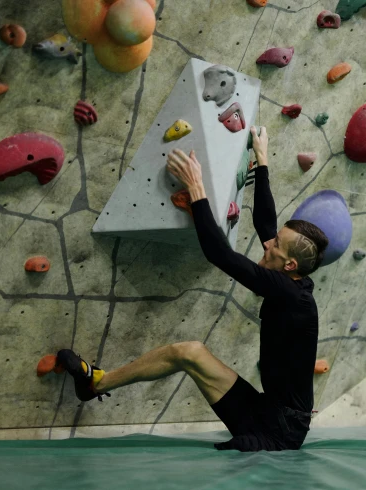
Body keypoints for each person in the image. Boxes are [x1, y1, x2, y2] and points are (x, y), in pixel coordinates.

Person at [55, 126, 329, 452]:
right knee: (188, 352)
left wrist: (197, 188)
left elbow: (221, 255)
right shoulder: (290, 279)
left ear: (289, 266)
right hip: (265, 410)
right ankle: (95, 383)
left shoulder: (291, 295)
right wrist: (262, 157)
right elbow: (267, 225)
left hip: (283, 429)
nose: (267, 245)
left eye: (275, 247)